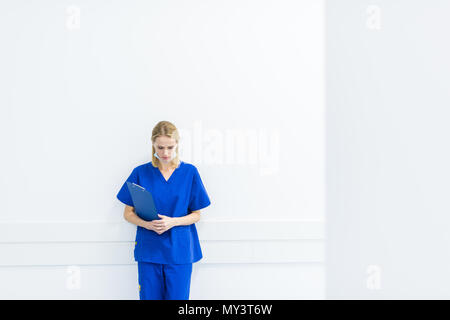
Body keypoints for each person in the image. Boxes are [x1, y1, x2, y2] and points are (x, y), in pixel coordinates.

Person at [116, 120, 211, 300]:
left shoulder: (189, 173)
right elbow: (128, 213)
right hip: (150, 250)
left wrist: (172, 222)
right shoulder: (140, 173)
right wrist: (147, 224)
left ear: (177, 144)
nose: (165, 153)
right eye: (160, 147)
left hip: (179, 251)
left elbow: (197, 215)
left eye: (170, 147)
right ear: (153, 145)